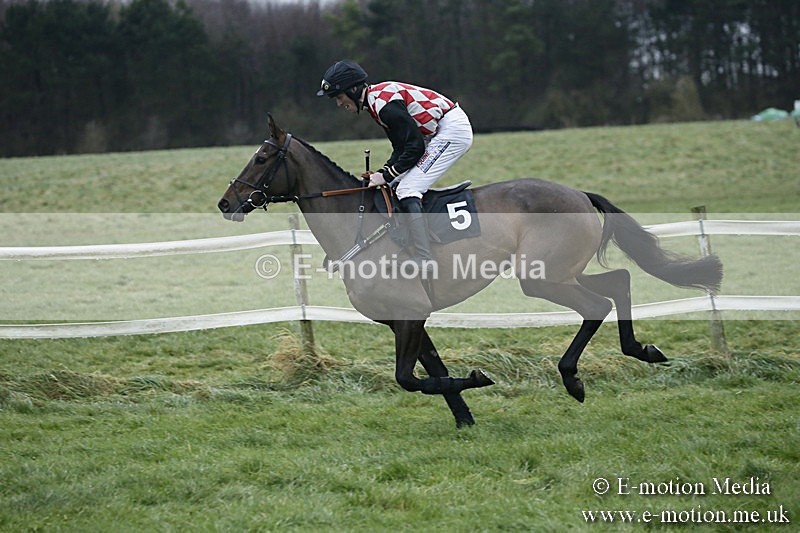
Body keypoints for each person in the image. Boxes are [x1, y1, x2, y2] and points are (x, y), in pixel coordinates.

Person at [317, 59, 473, 275]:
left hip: (451, 131)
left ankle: (424, 258)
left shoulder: (384, 106)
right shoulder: (375, 103)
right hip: (438, 132)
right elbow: (402, 148)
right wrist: (384, 173)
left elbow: (414, 147)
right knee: (395, 184)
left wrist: (387, 174)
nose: (338, 103)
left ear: (353, 89)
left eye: (339, 96)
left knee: (408, 188)